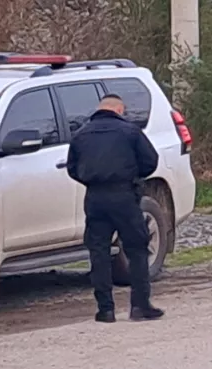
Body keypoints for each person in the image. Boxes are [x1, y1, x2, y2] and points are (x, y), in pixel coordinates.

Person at [66, 94, 164, 323]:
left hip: (95, 198)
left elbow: (72, 168)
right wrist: (133, 175)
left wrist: (91, 180)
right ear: (119, 110)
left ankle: (105, 310)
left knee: (98, 252)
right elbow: (150, 161)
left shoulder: (80, 135)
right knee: (137, 249)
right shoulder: (130, 132)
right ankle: (140, 306)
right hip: (124, 196)